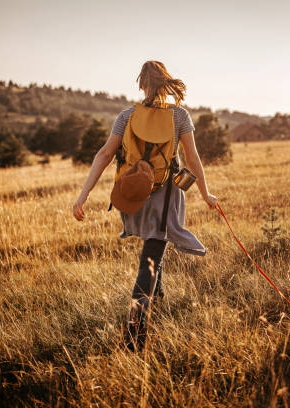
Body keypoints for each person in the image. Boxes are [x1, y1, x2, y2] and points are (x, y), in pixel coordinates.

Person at [72, 60, 217, 351]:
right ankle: (134, 336)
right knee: (150, 260)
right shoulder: (179, 116)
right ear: (166, 84)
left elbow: (104, 154)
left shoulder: (126, 116)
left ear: (141, 85)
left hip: (133, 198)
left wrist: (83, 194)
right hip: (165, 199)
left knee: (154, 248)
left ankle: (158, 297)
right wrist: (205, 193)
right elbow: (192, 160)